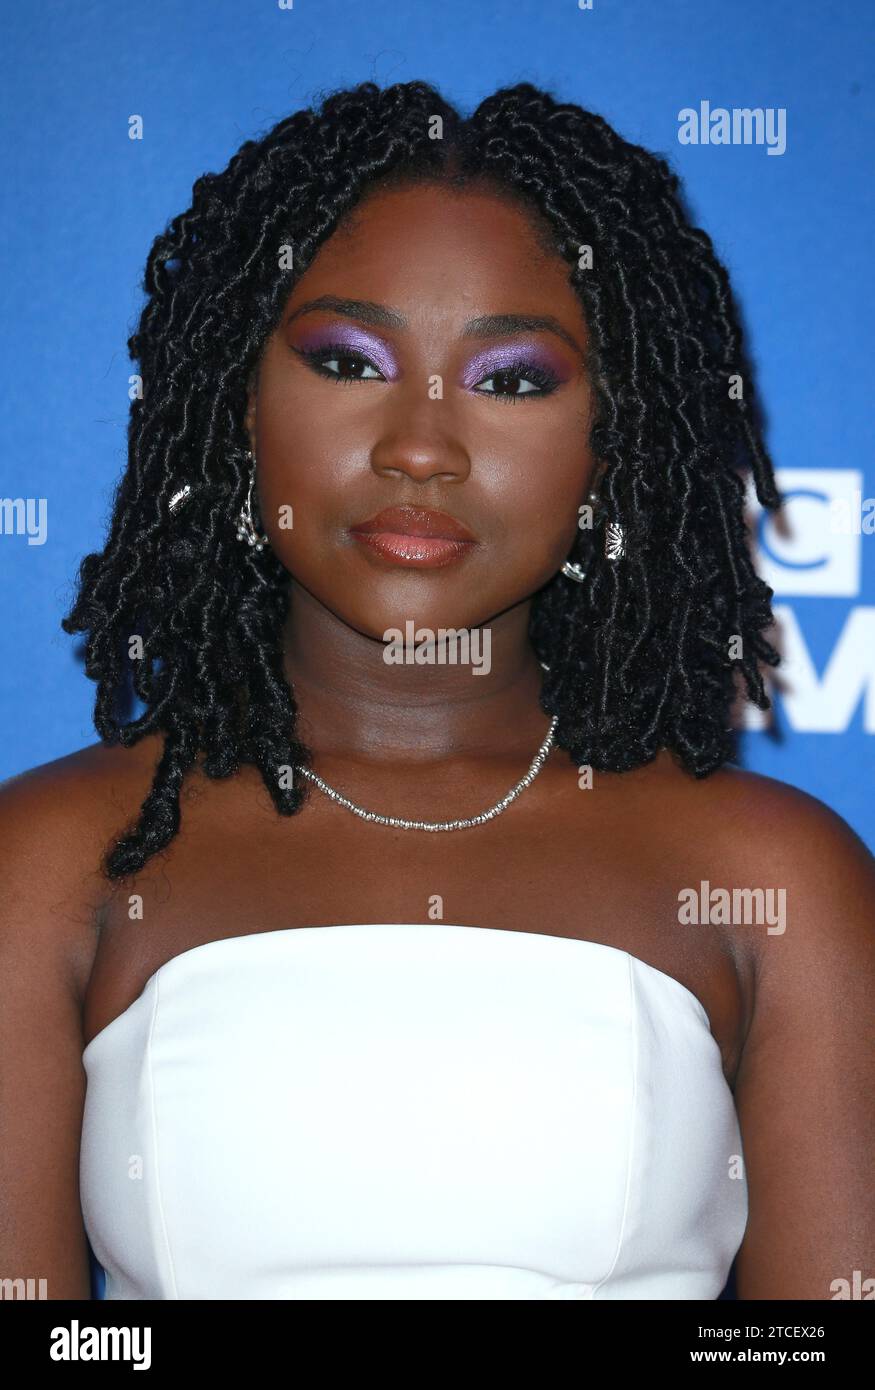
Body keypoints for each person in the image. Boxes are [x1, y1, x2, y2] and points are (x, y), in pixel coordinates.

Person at [1, 79, 872, 1301]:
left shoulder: (772, 870)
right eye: (348, 360)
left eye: (512, 379)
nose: (421, 446)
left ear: (613, 444)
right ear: (232, 405)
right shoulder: (51, 856)